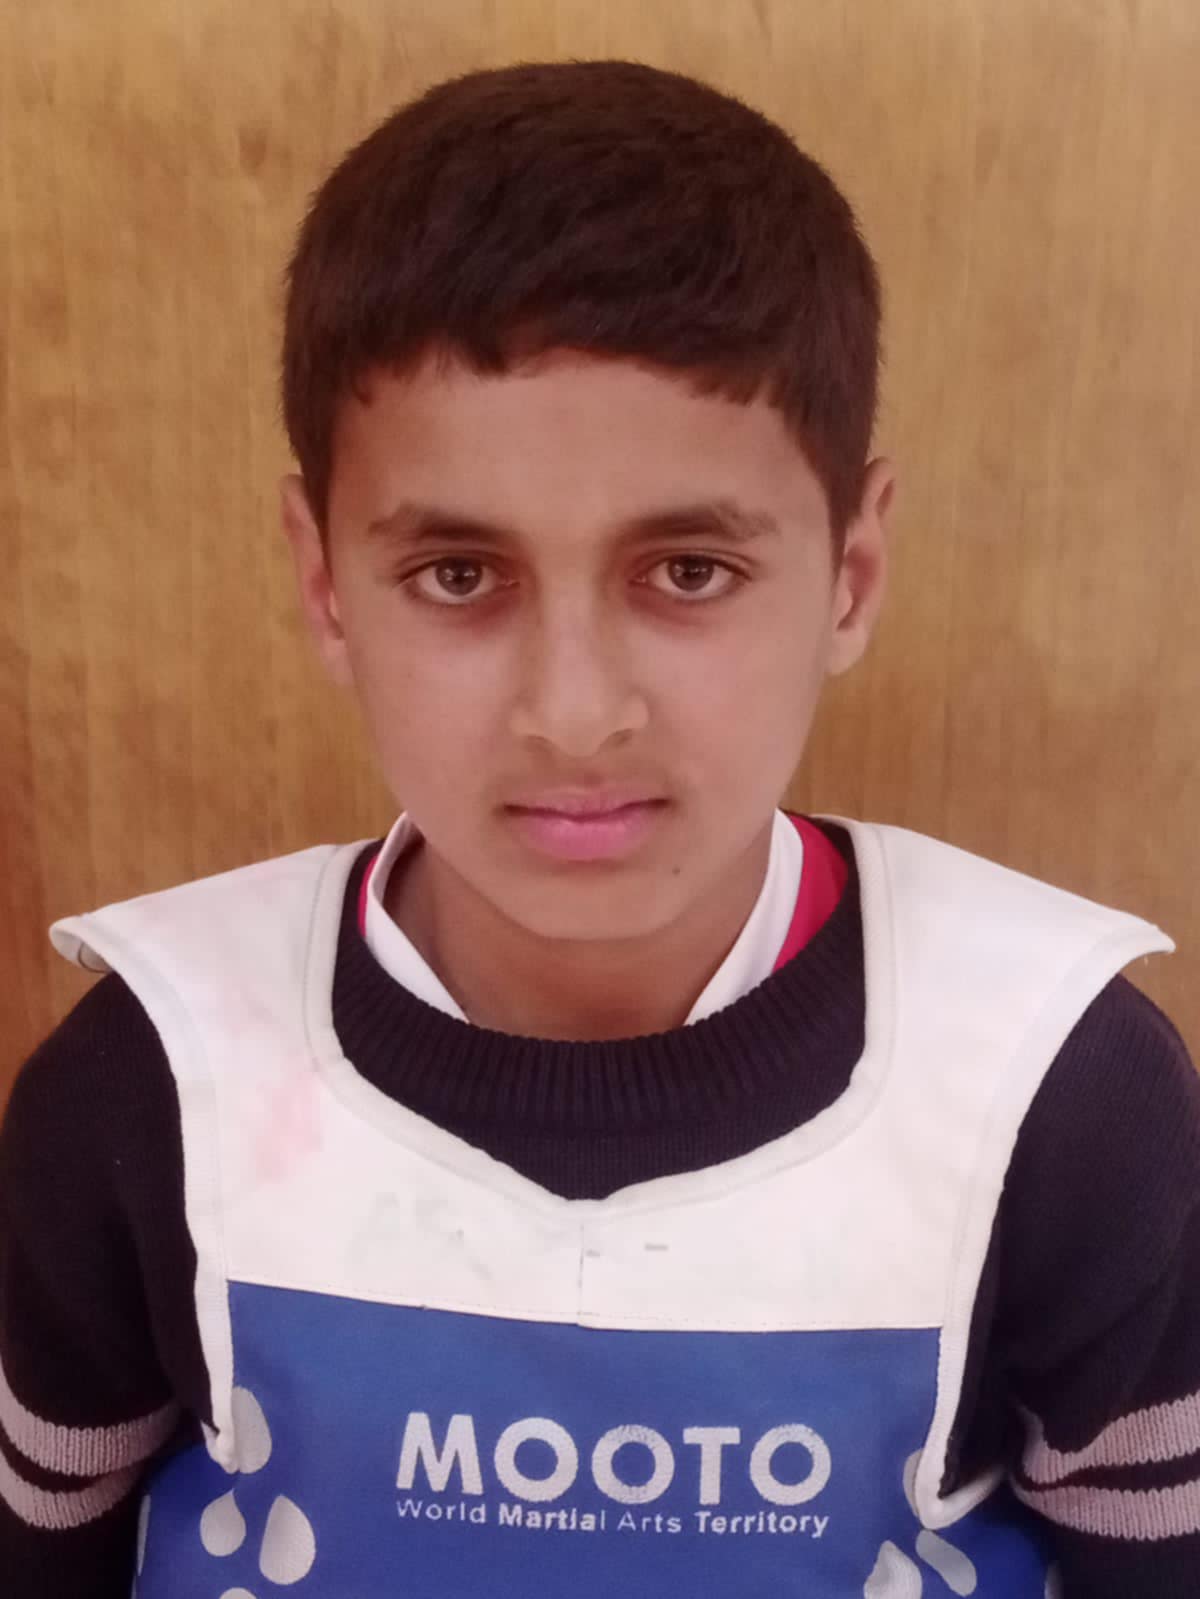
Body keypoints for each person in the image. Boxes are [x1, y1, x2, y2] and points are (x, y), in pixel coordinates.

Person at [2, 58, 1197, 1599]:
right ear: (322, 583)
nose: (574, 714)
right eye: (458, 576)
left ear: (850, 573)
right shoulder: (151, 1079)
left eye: (688, 571)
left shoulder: (1061, 1095)